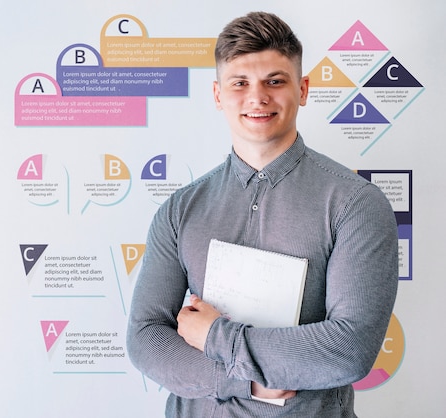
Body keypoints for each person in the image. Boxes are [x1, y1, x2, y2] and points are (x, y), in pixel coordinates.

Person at [126, 11, 398, 417]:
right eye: (240, 83)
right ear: (218, 95)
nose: (257, 97)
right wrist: (247, 382)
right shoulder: (181, 209)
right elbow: (146, 337)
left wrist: (217, 337)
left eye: (275, 81)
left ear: (302, 89)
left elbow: (349, 349)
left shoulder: (355, 204)